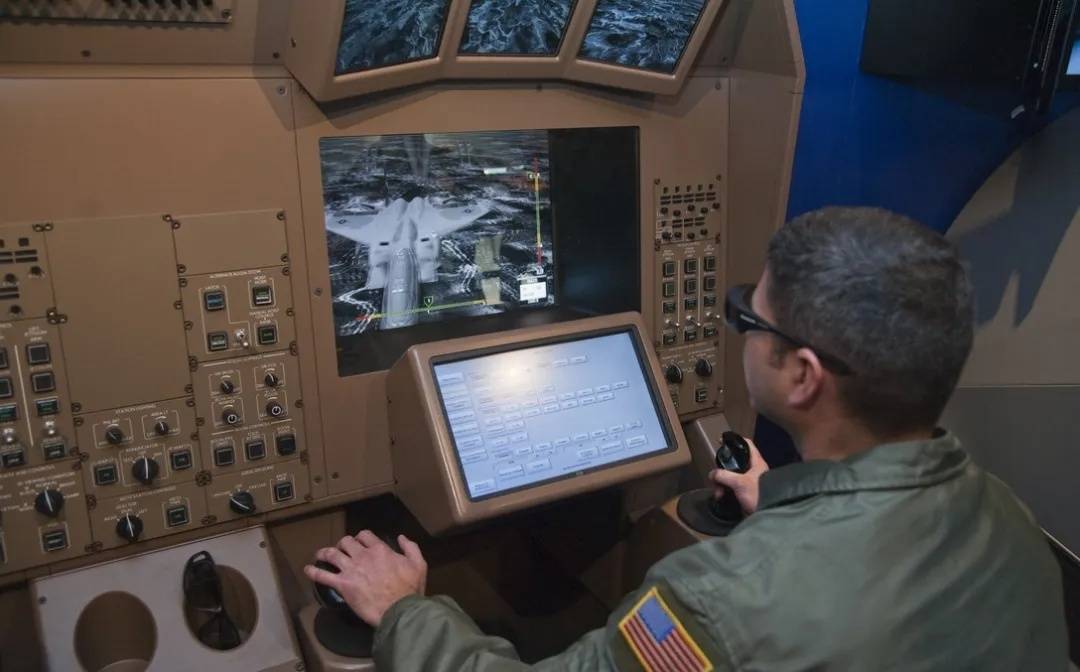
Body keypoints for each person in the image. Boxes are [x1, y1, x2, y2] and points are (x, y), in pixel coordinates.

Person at [306, 207, 1069, 671]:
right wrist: (792, 510)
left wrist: (406, 612)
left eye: (748, 316)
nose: (736, 329)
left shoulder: (716, 605)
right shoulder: (1007, 519)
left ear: (802, 377)